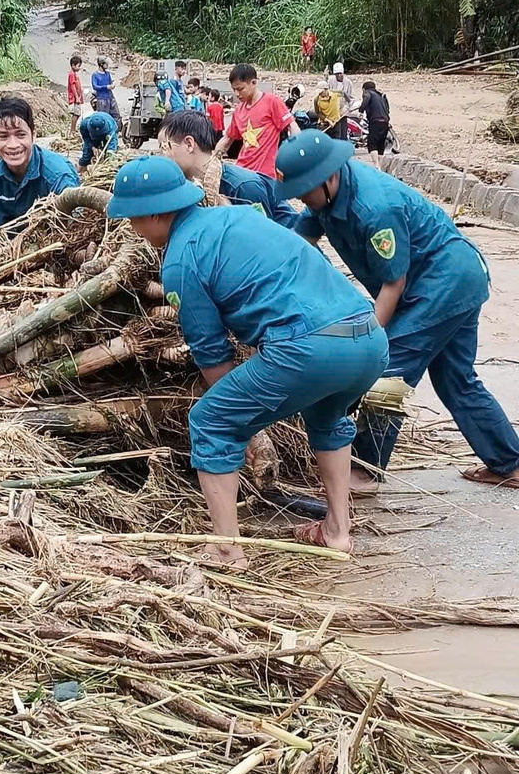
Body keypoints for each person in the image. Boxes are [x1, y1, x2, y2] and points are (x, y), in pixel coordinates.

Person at [106, 155, 388, 561]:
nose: (132, 228)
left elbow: (211, 352)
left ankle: (225, 547)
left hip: (310, 347)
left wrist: (240, 424)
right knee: (328, 417)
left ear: (152, 213)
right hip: (367, 338)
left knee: (211, 419)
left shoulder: (182, 258)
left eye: (132, 218)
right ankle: (336, 531)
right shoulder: (236, 217)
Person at [276, 130, 519, 493]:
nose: (300, 198)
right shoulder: (323, 200)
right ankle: (510, 463)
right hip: (447, 282)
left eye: (303, 190)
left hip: (445, 283)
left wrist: (370, 340)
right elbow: (300, 243)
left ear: (328, 177)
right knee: (457, 380)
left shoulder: (375, 207)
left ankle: (365, 469)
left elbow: (394, 284)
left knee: (389, 374)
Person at [158, 109, 300, 227]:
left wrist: (230, 215)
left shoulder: (242, 187)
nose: (161, 156)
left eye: (164, 147)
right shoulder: (198, 186)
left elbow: (262, 240)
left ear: (189, 144)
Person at [0, 97, 79, 228]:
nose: (13, 145)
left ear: (34, 135)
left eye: (21, 135)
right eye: (3, 136)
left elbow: (73, 229)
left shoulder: (58, 176)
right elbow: (0, 227)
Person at [214, 63, 300, 186]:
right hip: (242, 171)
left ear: (253, 83)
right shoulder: (239, 110)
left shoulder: (272, 102)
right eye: (234, 90)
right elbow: (227, 139)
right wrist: (214, 160)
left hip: (264, 175)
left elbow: (292, 126)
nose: (237, 94)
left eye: (240, 89)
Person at [357, 80, 390, 168]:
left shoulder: (368, 93)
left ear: (364, 89)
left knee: (372, 143)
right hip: (385, 121)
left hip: (375, 121)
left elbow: (366, 100)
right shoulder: (381, 96)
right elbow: (387, 109)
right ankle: (380, 166)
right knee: (381, 144)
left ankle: (376, 165)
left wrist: (360, 111)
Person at [329, 62, 354, 140]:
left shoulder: (348, 83)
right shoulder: (330, 81)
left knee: (343, 130)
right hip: (333, 109)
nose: (339, 75)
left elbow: (349, 97)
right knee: (336, 131)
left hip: (343, 109)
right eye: (337, 74)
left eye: (340, 73)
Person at [91, 56, 121, 121]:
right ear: (101, 64)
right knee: (103, 117)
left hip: (110, 97)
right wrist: (106, 87)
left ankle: (117, 129)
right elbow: (95, 86)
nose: (107, 65)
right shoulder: (95, 75)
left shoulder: (107, 74)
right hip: (101, 99)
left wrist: (113, 84)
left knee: (116, 115)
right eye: (106, 64)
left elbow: (110, 82)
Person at [67, 54, 84, 136]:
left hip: (77, 97)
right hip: (74, 98)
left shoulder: (74, 74)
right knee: (76, 113)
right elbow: (73, 86)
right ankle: (72, 130)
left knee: (77, 113)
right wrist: (76, 97)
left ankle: (73, 129)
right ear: (73, 65)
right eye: (78, 66)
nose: (79, 68)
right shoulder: (72, 74)